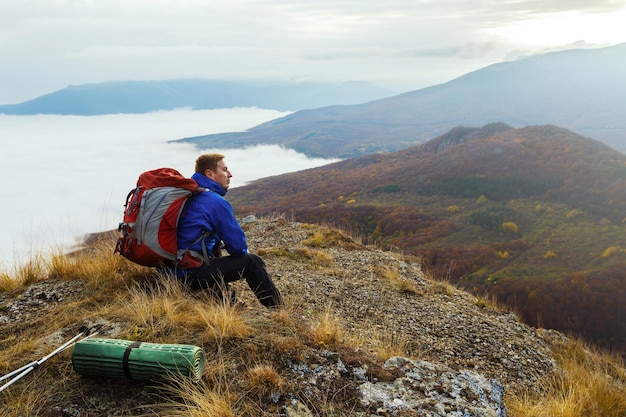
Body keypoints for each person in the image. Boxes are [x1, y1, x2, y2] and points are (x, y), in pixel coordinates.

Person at [172, 153, 283, 308]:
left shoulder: (187, 194)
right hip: (187, 276)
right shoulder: (215, 202)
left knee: (213, 249)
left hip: (169, 272)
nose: (230, 174)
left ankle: (227, 301)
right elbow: (238, 248)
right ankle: (279, 310)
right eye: (224, 170)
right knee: (252, 262)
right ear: (209, 174)